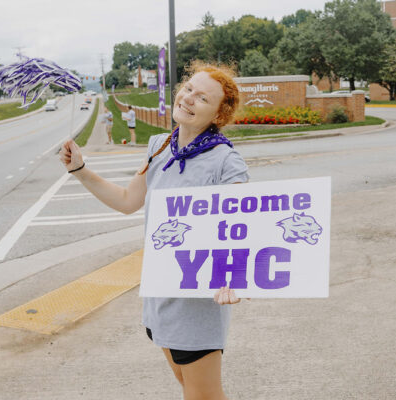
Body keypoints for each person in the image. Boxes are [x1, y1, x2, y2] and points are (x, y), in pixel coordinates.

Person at [59, 61, 248, 400]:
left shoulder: (225, 161)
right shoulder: (160, 146)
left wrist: (233, 274)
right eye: (189, 89)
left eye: (202, 99)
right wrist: (80, 170)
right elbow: (129, 200)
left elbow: (243, 225)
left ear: (219, 115)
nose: (189, 99)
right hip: (159, 297)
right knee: (192, 389)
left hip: (196, 301)